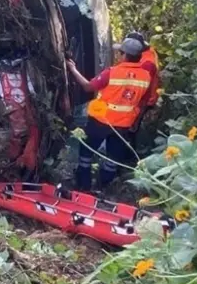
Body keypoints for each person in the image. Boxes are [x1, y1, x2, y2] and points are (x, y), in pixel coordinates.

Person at [65, 37, 158, 191]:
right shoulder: (146, 76)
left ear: (125, 55)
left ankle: (84, 185)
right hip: (124, 124)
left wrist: (73, 69)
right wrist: (135, 121)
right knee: (113, 158)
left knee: (86, 152)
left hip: (100, 121)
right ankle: (103, 186)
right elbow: (143, 101)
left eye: (120, 52)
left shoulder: (112, 72)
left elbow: (88, 87)